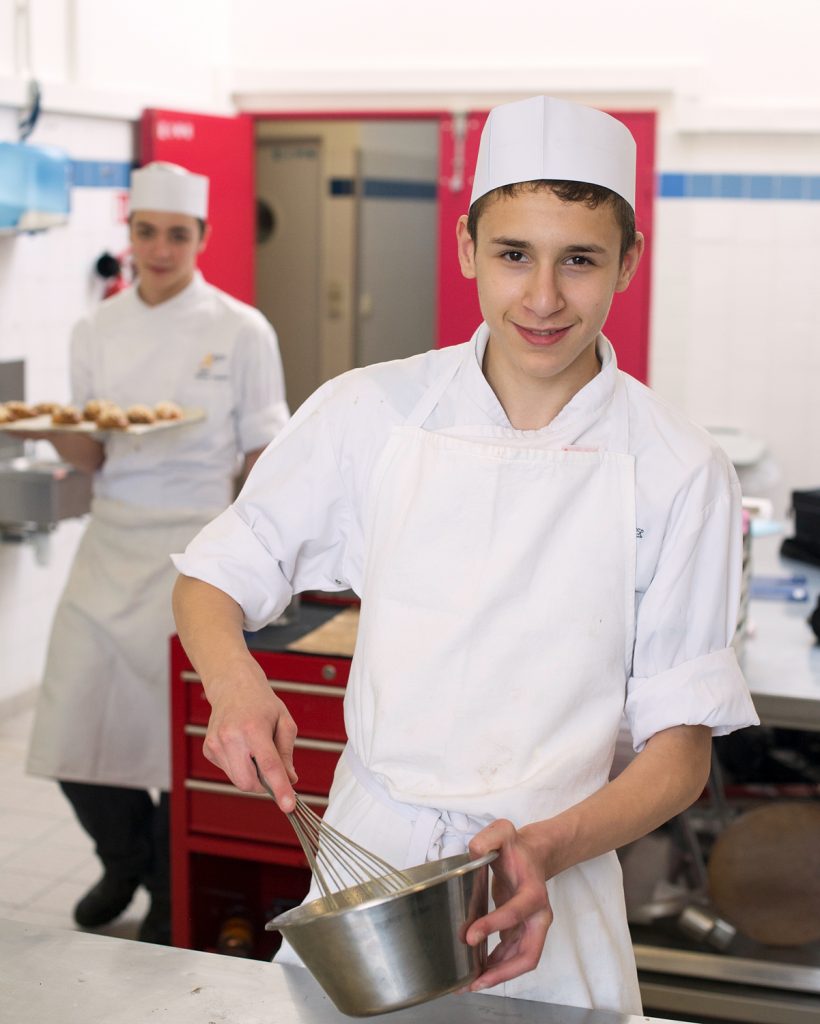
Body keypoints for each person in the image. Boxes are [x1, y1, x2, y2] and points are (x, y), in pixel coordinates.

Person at [170, 97, 758, 1013]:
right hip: (371, 867)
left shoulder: (681, 470)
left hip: (552, 883)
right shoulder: (371, 412)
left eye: (581, 260)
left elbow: (678, 755)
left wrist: (545, 851)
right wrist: (235, 682)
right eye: (514, 254)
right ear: (466, 248)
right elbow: (216, 576)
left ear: (629, 264)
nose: (543, 298)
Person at [25, 162, 289, 945]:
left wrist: (265, 554)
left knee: (183, 741)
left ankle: (172, 890)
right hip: (110, 540)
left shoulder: (242, 329)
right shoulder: (94, 329)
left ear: (202, 238)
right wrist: (52, 429)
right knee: (72, 730)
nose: (161, 247)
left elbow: (266, 449)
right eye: (147, 232)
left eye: (178, 233)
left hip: (199, 554)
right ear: (130, 238)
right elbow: (92, 457)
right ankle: (128, 860)